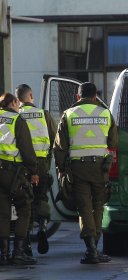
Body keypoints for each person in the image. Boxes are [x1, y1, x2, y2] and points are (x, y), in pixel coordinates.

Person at [53, 82, 118, 264]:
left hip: (78, 169)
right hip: (100, 169)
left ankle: (91, 249)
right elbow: (113, 143)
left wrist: (62, 170)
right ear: (95, 96)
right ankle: (96, 248)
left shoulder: (68, 115)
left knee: (84, 208)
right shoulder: (106, 113)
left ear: (77, 96)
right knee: (98, 206)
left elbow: (59, 148)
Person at [15, 84, 57, 255]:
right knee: (41, 198)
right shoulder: (43, 114)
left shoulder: (16, 115)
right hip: (41, 165)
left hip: (22, 165)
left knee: (25, 203)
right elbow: (56, 139)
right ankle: (42, 227)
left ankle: (26, 244)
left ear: (18, 100)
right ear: (31, 95)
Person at [0, 93, 39, 265]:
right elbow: (26, 148)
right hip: (13, 172)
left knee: (2, 213)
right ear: (14, 102)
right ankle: (18, 252)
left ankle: (3, 254)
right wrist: (34, 171)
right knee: (24, 208)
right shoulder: (17, 120)